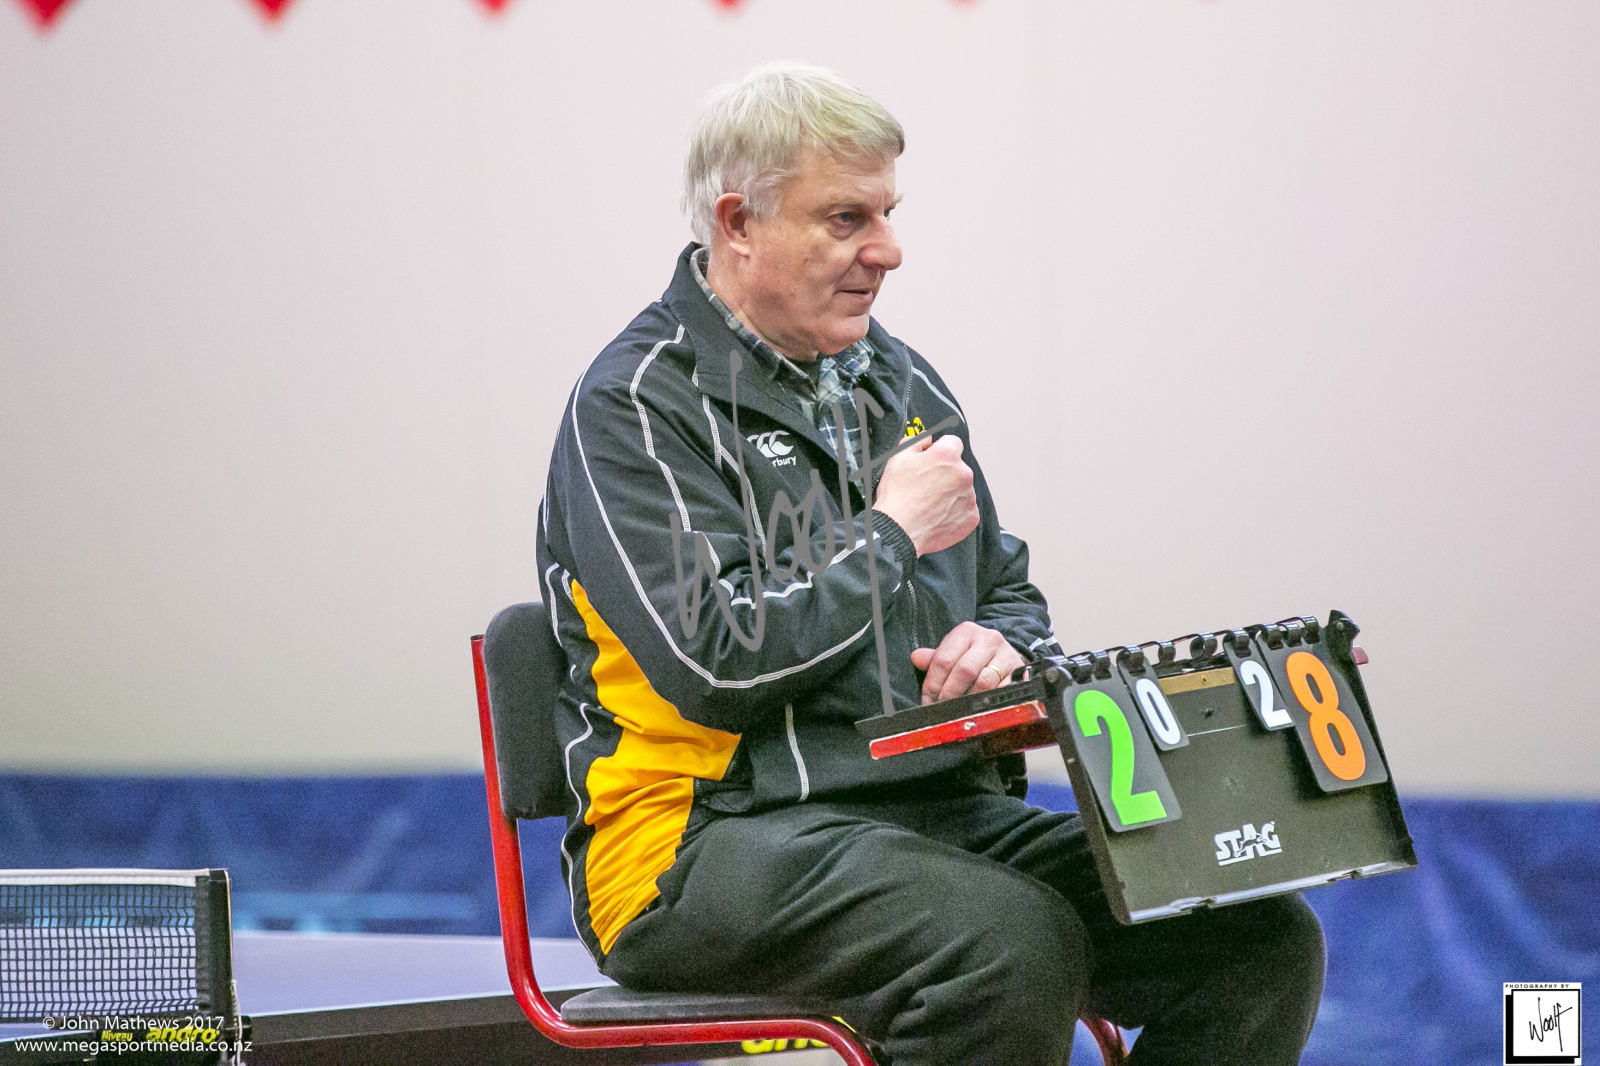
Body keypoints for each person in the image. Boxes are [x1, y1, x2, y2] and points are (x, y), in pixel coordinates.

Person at [534, 60, 1325, 1066]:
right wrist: (890, 535)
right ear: (738, 223)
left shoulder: (900, 382)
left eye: (887, 214)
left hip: (936, 815)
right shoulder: (634, 406)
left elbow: (1008, 588)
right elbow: (716, 664)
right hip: (698, 845)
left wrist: (1004, 644)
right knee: (1006, 946)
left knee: (1257, 939)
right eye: (846, 219)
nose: (888, 250)